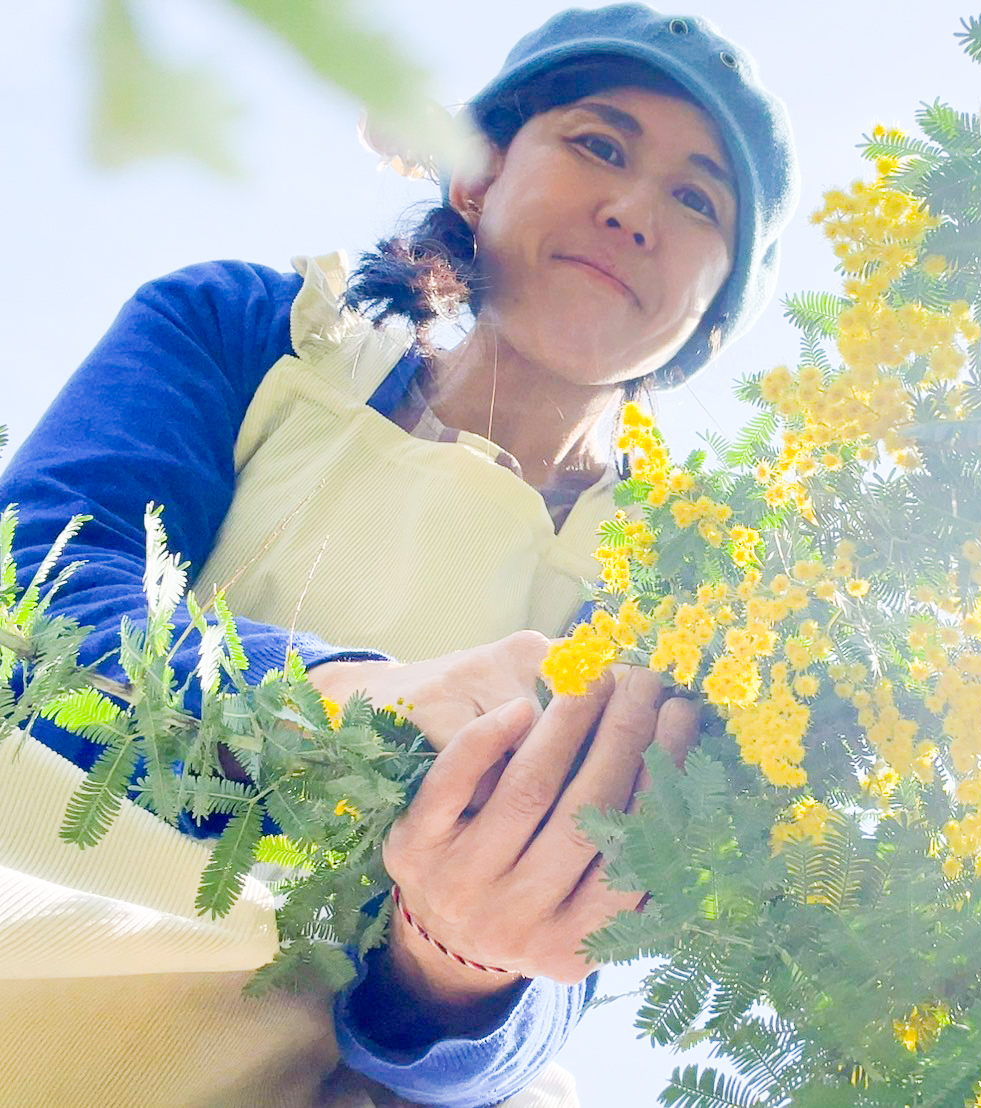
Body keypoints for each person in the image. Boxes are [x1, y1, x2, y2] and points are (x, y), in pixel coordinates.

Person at [0, 4, 797, 1105]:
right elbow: (33, 594)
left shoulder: (682, 603)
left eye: (699, 200)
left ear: (710, 320)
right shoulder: (245, 332)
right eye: (598, 145)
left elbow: (565, 964)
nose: (631, 209)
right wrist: (342, 694)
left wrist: (460, 966)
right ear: (476, 177)